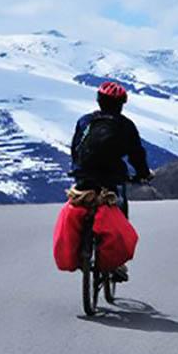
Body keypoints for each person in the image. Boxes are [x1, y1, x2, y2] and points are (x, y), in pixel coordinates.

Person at [70, 81, 153, 281]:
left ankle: (81, 247)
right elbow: (136, 154)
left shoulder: (85, 121)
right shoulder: (126, 125)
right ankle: (115, 262)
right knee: (119, 208)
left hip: (84, 175)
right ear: (121, 104)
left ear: (99, 101)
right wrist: (143, 173)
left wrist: (77, 169)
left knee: (80, 205)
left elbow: (75, 148)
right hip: (111, 177)